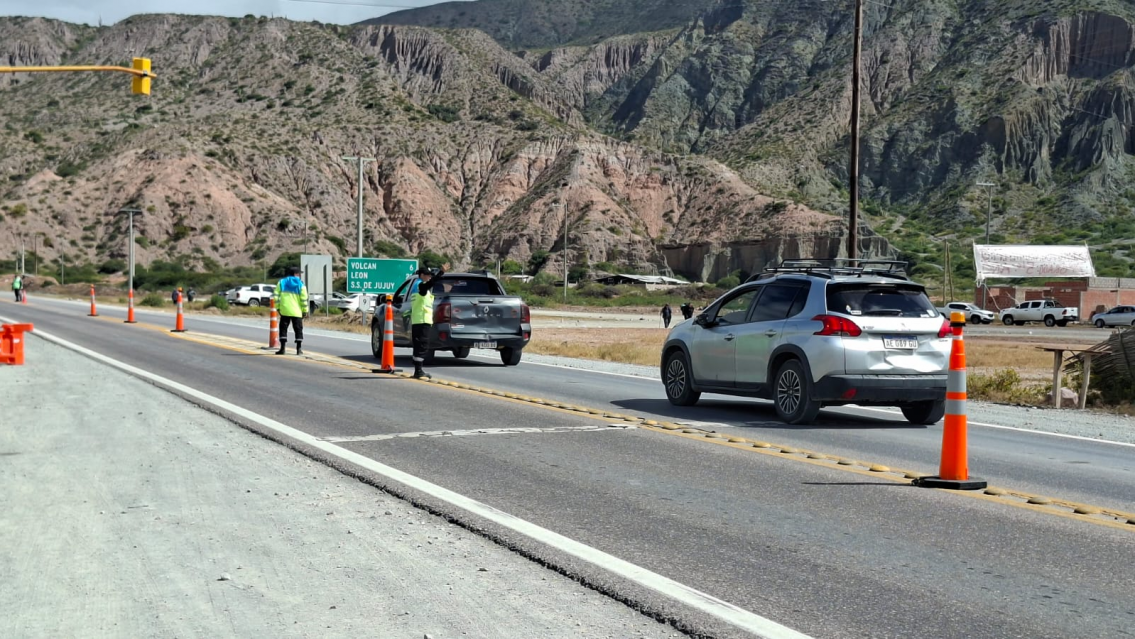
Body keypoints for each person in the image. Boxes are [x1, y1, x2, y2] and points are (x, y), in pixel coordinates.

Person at [410, 262, 450, 379]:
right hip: (422, 320)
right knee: (422, 345)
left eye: (430, 275)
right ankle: (418, 371)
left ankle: (418, 370)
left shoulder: (416, 286)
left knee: (419, 345)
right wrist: (441, 273)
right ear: (421, 275)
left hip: (418, 319)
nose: (430, 277)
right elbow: (430, 284)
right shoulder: (421, 286)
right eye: (428, 275)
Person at [273, 266, 309, 356]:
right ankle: (299, 349)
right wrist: (305, 311)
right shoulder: (301, 285)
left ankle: (282, 348)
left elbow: (276, 296)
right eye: (299, 274)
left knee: (283, 329)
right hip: (297, 311)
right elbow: (304, 299)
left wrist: (278, 307)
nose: (300, 276)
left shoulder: (281, 283)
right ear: (295, 274)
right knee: (298, 329)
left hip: (284, 310)